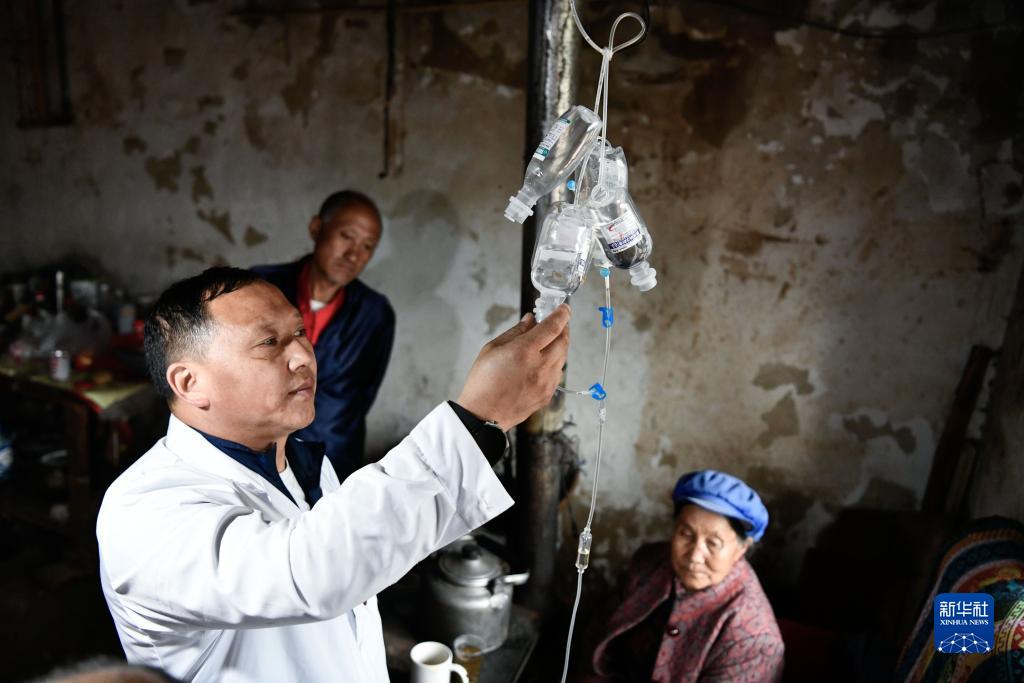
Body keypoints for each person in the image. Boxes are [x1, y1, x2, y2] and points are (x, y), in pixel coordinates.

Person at [97, 267, 570, 683]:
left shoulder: (304, 463)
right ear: (189, 382)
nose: (303, 356)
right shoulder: (141, 511)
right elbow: (310, 570)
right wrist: (476, 418)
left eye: (299, 332)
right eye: (268, 342)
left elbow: (350, 578)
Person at [579, 470, 784, 683]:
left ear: (742, 549)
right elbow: (599, 636)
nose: (695, 556)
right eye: (686, 534)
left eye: (713, 543)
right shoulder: (648, 563)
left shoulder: (753, 638)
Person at [252, 190, 394, 481]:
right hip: (256, 448)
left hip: (332, 456)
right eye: (347, 236)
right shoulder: (260, 286)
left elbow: (363, 396)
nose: (354, 254)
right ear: (317, 228)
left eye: (367, 246)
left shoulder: (375, 313)